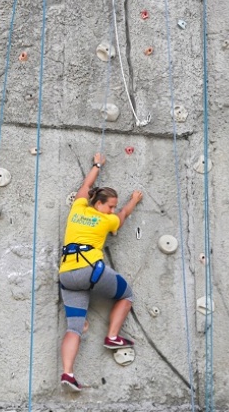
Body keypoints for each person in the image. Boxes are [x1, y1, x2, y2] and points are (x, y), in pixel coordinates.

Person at [58, 152, 143, 391]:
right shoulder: (106, 221)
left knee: (74, 328)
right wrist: (133, 200)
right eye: (110, 206)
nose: (112, 210)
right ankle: (113, 336)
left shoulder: (77, 209)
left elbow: (85, 186)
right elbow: (123, 216)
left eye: (114, 207)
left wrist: (97, 164)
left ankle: (67, 374)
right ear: (99, 204)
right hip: (90, 271)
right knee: (126, 295)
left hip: (67, 276)